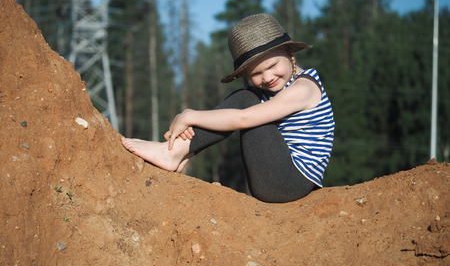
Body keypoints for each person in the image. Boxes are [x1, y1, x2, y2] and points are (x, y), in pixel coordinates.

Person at [121, 13, 334, 203]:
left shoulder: (304, 88)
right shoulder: (275, 88)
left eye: (272, 66)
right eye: (255, 74)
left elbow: (242, 119)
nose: (267, 77)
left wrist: (190, 115)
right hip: (279, 180)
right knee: (246, 98)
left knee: (244, 100)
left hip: (288, 182)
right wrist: (193, 124)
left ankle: (173, 153)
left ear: (289, 51)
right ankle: (179, 153)